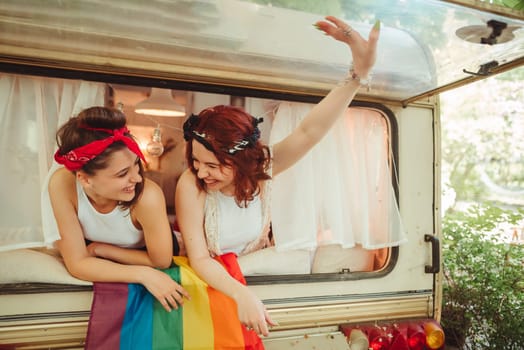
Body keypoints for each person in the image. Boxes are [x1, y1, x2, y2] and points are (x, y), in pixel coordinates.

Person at [175, 15, 380, 338]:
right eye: (196, 161)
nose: (201, 171)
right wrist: (241, 293)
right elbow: (199, 258)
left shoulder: (264, 167)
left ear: (242, 162)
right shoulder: (191, 184)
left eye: (212, 166)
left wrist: (356, 76)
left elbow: (310, 131)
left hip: (252, 283)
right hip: (205, 287)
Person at [49, 106, 189, 312]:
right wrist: (143, 274)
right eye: (123, 173)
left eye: (136, 165)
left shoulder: (147, 196)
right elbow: (77, 263)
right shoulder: (62, 184)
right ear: (85, 179)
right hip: (100, 256)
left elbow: (160, 261)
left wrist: (101, 249)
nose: (138, 178)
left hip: (145, 253)